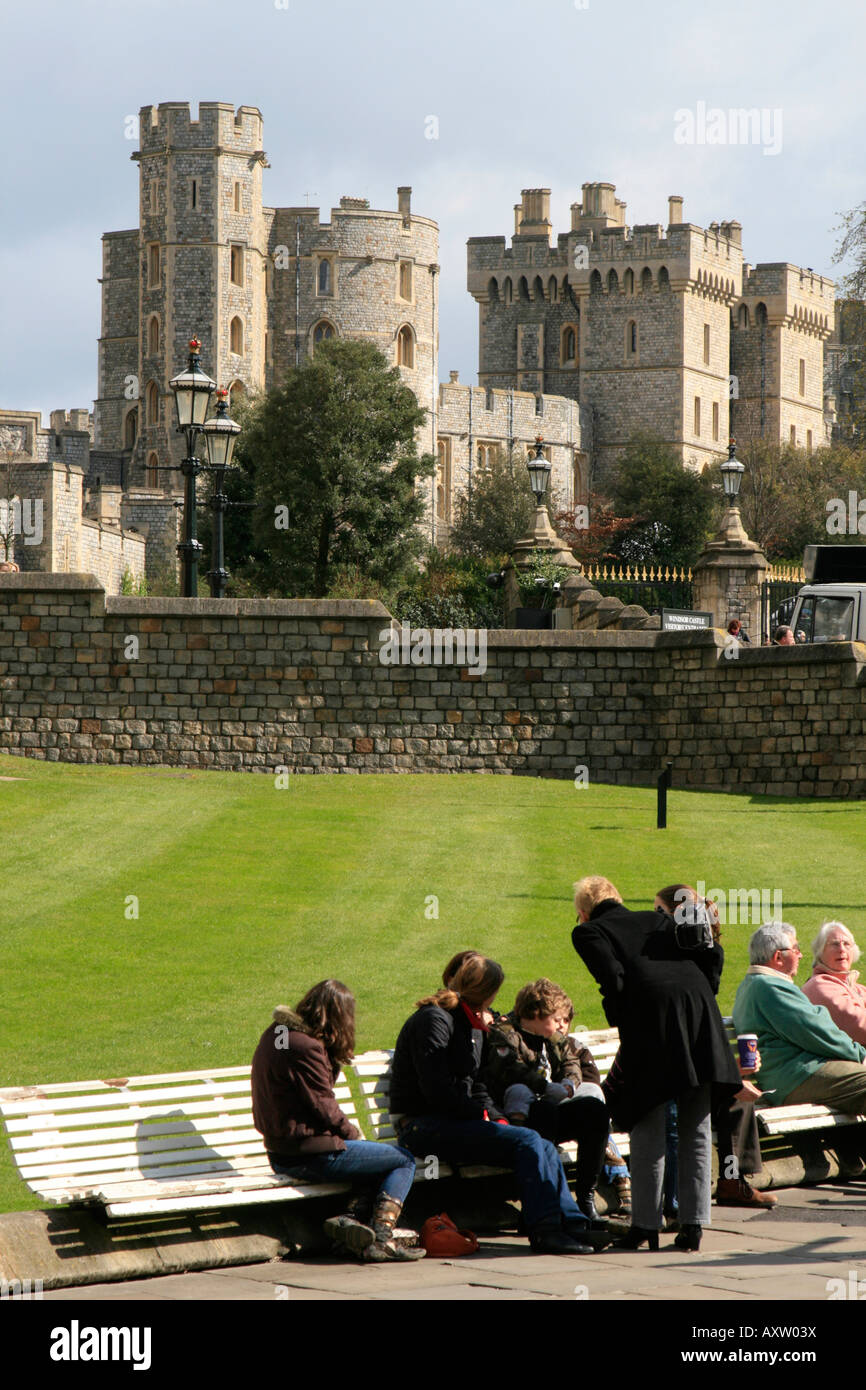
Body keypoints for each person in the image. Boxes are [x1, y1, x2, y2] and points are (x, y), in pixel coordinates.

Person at [389, 952, 610, 1255]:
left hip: (458, 1121)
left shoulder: (473, 1023)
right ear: (485, 991)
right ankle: (545, 1231)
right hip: (422, 1125)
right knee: (529, 1141)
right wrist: (481, 1115)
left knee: (539, 1143)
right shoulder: (435, 1021)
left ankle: (571, 1223)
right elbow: (437, 1091)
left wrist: (496, 1118)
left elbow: (477, 1085)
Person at [572, 876, 740, 1252]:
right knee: (697, 1122)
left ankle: (645, 1226)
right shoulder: (657, 920)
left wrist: (621, 1016)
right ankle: (693, 1225)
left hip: (653, 1022)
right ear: (618, 897)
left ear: (583, 913)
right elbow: (704, 960)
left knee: (648, 1119)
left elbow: (612, 979)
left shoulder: (589, 933)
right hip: (699, 1015)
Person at [251, 979, 424, 1262]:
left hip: (283, 1150)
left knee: (375, 1161)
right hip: (309, 1153)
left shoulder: (278, 1033)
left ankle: (351, 1223)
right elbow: (324, 1106)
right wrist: (353, 1133)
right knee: (402, 1159)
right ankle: (381, 1238)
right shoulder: (305, 1046)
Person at [652, 885, 776, 1212]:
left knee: (737, 1101)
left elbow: (700, 1016)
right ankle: (720, 1185)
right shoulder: (658, 956)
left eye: (661, 912)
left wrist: (734, 1073)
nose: (655, 921)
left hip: (695, 1058)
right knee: (732, 1094)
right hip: (671, 1069)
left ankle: (732, 1181)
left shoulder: (705, 955)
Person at [482, 979, 609, 1224]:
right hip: (520, 1118)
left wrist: (569, 1086)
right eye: (556, 1018)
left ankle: (585, 1197)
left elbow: (572, 1062)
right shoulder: (506, 1033)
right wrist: (546, 1087)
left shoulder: (553, 1035)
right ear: (537, 1015)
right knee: (541, 1107)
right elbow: (512, 1070)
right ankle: (543, 1207)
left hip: (549, 1109)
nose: (562, 1024)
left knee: (595, 1112)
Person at [733, 922, 866, 1112]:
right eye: (795, 949)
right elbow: (816, 1031)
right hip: (797, 1076)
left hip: (795, 1074)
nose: (801, 955)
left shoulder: (754, 985)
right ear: (778, 957)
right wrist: (860, 1055)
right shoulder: (770, 988)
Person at [801, 922, 866, 1047]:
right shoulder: (819, 985)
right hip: (841, 1060)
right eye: (835, 944)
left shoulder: (857, 988)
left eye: (846, 944)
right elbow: (857, 1025)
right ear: (820, 952)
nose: (842, 949)